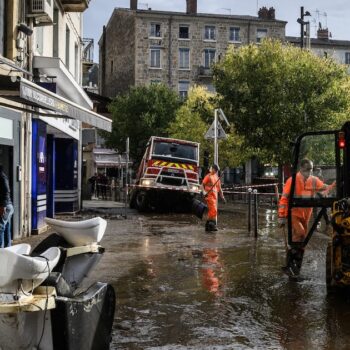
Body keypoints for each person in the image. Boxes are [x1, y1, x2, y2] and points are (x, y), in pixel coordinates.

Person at [278, 158, 335, 275]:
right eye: (307, 169)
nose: (309, 172)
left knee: (301, 240)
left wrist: (334, 185)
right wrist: (282, 217)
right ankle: (291, 264)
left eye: (311, 169)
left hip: (306, 215)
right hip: (294, 213)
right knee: (301, 233)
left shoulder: (313, 180)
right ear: (301, 169)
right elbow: (284, 198)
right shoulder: (292, 180)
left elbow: (324, 187)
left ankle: (294, 267)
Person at [201, 164, 226, 232]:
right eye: (216, 170)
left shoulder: (217, 178)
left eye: (217, 170)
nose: (216, 171)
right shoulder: (208, 176)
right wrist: (204, 192)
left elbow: (220, 189)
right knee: (213, 210)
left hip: (215, 197)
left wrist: (222, 197)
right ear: (213, 169)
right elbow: (202, 185)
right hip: (209, 196)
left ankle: (208, 226)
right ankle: (212, 225)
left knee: (212, 212)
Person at [0, 165, 14, 248]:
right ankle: (8, 248)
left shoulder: (1, 177)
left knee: (1, 227)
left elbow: (6, 191)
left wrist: (3, 206)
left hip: (6, 206)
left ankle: (1, 250)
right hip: (8, 206)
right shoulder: (2, 176)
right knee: (6, 228)